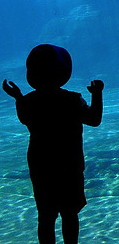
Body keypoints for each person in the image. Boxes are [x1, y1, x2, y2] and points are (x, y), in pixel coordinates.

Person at [3, 44, 104, 244]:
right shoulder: (72, 100)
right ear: (63, 72)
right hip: (69, 164)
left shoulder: (30, 101)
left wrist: (18, 97)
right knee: (70, 213)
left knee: (46, 215)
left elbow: (25, 119)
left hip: (42, 165)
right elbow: (94, 120)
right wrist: (97, 93)